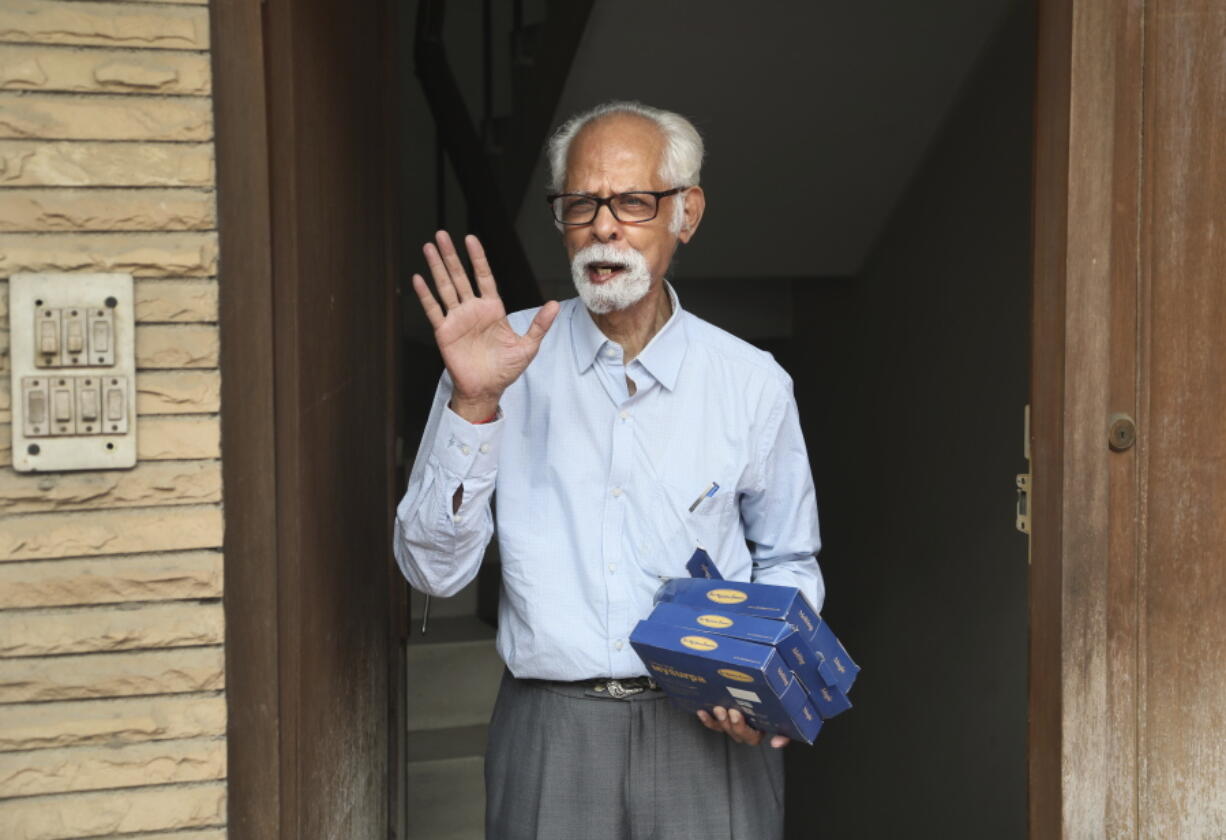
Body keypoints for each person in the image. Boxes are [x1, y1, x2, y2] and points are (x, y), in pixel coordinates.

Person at [395, 100, 823, 840]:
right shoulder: (498, 366)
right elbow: (432, 574)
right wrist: (473, 403)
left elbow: (788, 558)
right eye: (581, 204)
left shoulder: (752, 382)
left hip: (707, 730)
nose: (603, 226)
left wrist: (762, 683)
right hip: (551, 731)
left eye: (632, 202)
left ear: (685, 214)